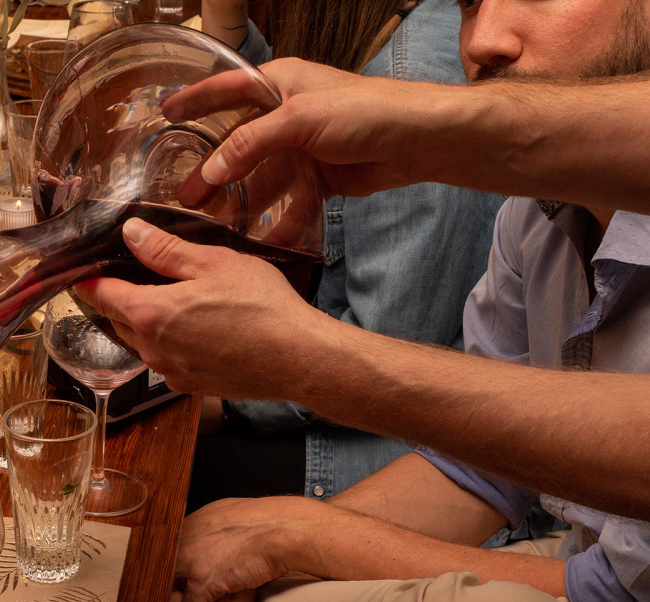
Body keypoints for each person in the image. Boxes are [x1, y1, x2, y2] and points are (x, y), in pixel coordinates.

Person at [90, 0, 650, 602]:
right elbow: (479, 471)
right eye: (472, 2)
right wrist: (258, 550)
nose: (478, 40)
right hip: (607, 574)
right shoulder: (542, 210)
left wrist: (294, 534)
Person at [188, 0, 505, 510]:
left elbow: (385, 354)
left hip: (400, 450)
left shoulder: (413, 70)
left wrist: (227, 401)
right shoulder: (373, 33)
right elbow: (262, 93)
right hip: (367, 404)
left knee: (179, 477)